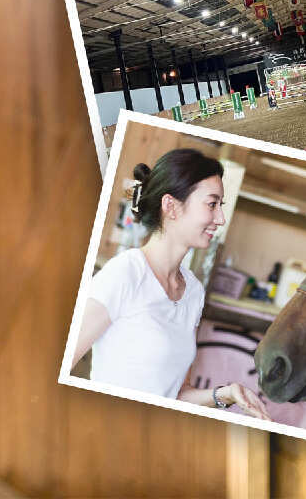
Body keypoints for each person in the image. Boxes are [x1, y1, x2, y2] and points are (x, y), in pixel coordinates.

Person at [66, 148, 270, 419]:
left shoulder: (193, 292)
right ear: (171, 206)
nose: (220, 219)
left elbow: (175, 394)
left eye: (221, 206)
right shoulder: (125, 273)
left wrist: (226, 394)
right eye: (212, 204)